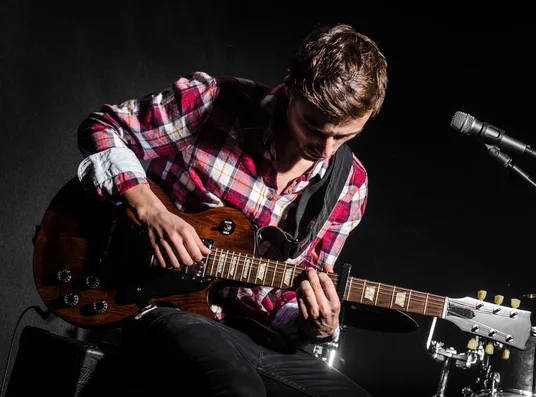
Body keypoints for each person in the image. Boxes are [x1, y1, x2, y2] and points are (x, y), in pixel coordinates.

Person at [76, 23, 388, 396]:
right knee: (236, 390)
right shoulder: (214, 101)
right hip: (163, 305)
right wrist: (152, 212)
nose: (325, 150)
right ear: (290, 85)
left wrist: (316, 323)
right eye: (313, 127)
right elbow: (103, 127)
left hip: (253, 333)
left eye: (345, 136)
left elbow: (289, 297)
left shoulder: (350, 186)